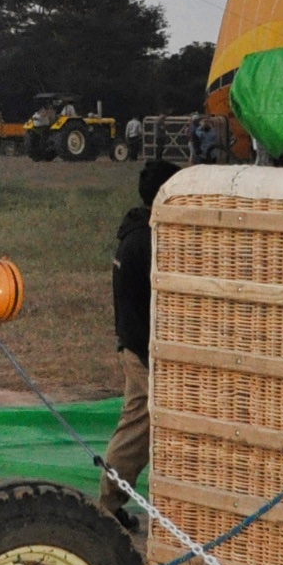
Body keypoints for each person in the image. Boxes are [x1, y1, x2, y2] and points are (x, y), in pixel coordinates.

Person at [100, 158, 179, 534]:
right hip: (146, 353)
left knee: (136, 425)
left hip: (135, 347)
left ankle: (109, 504)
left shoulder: (134, 235)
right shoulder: (149, 244)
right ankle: (115, 506)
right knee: (158, 427)